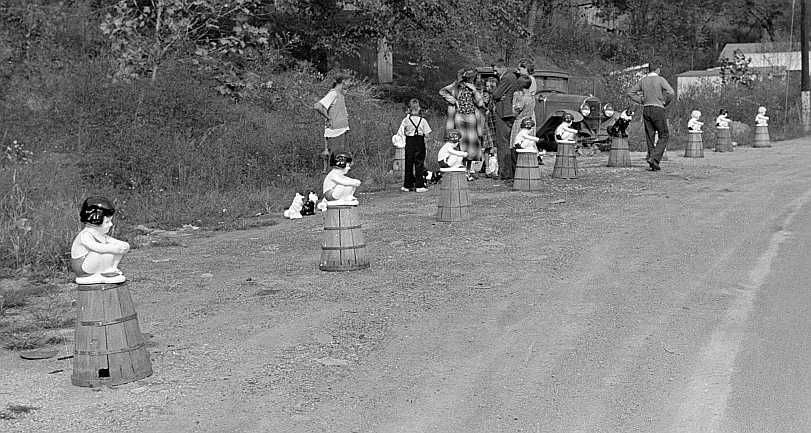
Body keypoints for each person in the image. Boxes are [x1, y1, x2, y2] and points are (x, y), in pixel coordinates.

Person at [626, 61, 675, 171]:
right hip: (658, 109)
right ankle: (654, 158)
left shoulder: (643, 80)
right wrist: (665, 103)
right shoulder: (660, 79)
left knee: (650, 136)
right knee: (664, 134)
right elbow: (671, 92)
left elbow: (630, 93)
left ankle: (652, 161)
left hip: (646, 109)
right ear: (657, 69)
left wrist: (642, 101)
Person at [70, 197, 130, 285]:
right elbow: (97, 248)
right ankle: (100, 273)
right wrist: (114, 248)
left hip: (92, 264)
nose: (111, 224)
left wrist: (123, 245)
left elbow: (112, 241)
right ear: (96, 220)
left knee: (116, 249)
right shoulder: (86, 235)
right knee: (105, 251)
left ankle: (110, 270)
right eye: (107, 222)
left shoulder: (100, 234)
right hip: (83, 268)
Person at [439, 68, 485, 181]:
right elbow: (442, 91)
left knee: (472, 144)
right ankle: (461, 169)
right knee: (461, 143)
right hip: (459, 116)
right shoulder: (455, 86)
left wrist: (474, 91)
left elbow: (480, 103)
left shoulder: (475, 87)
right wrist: (453, 101)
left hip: (471, 116)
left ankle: (469, 171)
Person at [492, 58, 533, 181]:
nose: (494, 72)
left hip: (504, 113)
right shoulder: (513, 78)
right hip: (509, 114)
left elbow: (496, 94)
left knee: (503, 143)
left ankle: (505, 172)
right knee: (508, 142)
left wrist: (496, 93)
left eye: (495, 70)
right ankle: (508, 171)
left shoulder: (506, 78)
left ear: (502, 67)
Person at [314, 74, 352, 172]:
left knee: (341, 160)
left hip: (341, 130)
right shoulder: (333, 94)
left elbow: (344, 91)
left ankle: (338, 181)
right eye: (348, 81)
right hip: (335, 132)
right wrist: (328, 118)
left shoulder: (340, 94)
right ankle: (332, 182)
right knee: (336, 160)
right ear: (343, 82)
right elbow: (318, 106)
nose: (350, 84)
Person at [395, 98, 432, 193]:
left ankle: (408, 185)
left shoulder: (406, 120)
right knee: (419, 163)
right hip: (419, 141)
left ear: (409, 109)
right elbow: (427, 134)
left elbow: (401, 132)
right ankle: (419, 185)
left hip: (410, 142)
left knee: (409, 163)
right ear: (419, 108)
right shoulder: (423, 121)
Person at [510, 75, 536, 153]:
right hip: (529, 123)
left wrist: (514, 102)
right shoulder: (532, 97)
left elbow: (515, 112)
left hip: (520, 123)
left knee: (516, 146)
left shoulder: (522, 98)